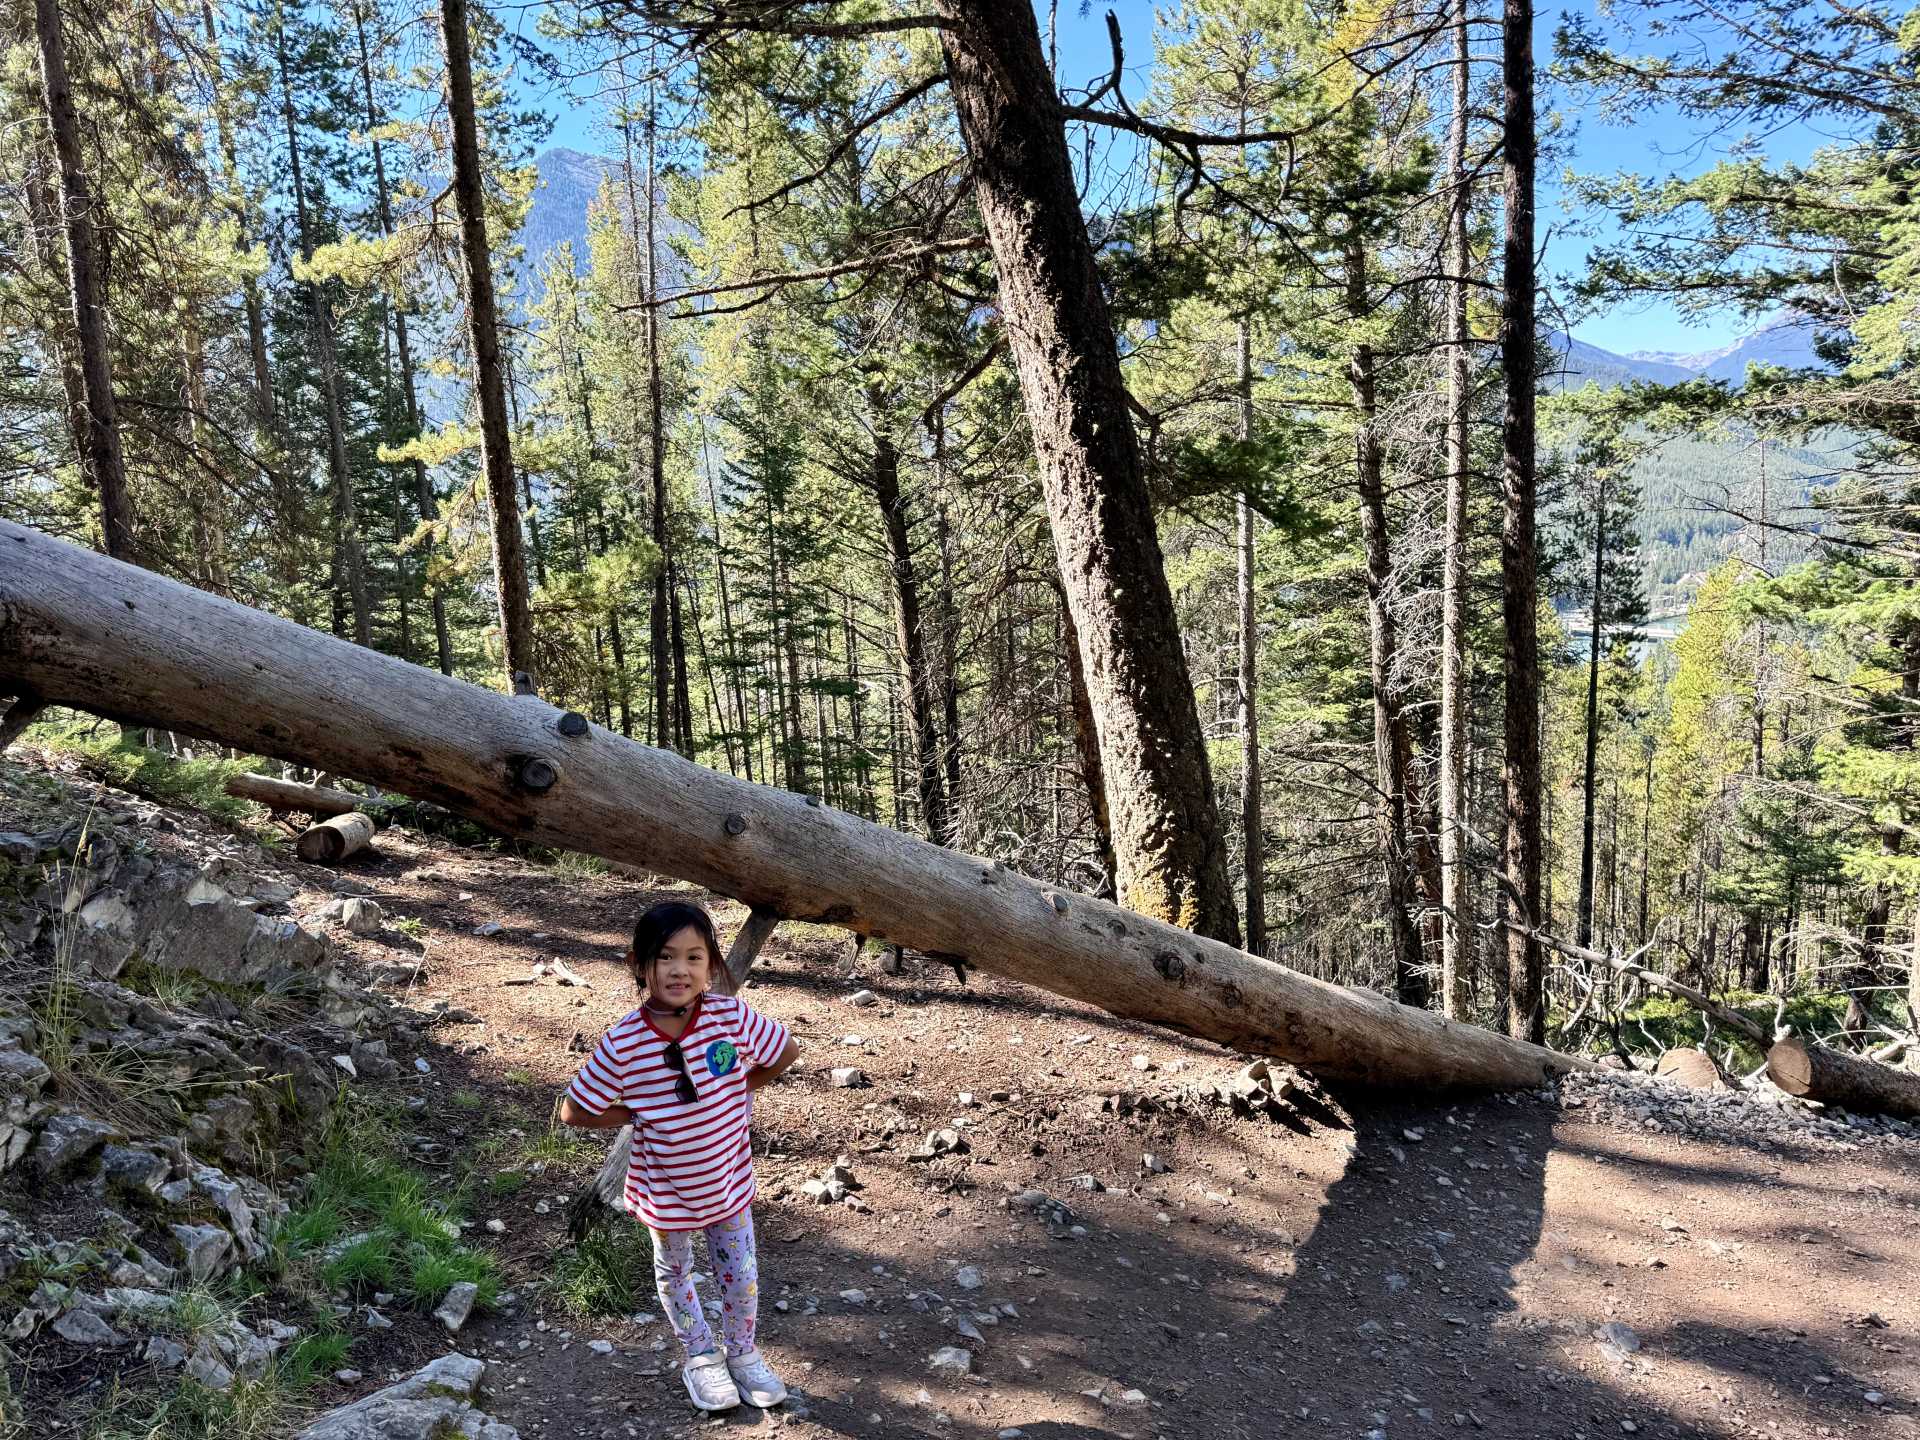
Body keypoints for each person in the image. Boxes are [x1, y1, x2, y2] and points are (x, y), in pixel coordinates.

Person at [559, 900, 800, 1412]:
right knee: (676, 1272)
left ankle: (743, 1355)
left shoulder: (728, 1017)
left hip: (728, 1179)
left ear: (711, 965)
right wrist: (638, 1114)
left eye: (694, 957)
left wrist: (739, 1086)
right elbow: (574, 1110)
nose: (679, 969)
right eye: (665, 956)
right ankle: (700, 1357)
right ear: (639, 964)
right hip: (665, 1188)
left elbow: (784, 1052)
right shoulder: (623, 1042)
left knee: (741, 1275)